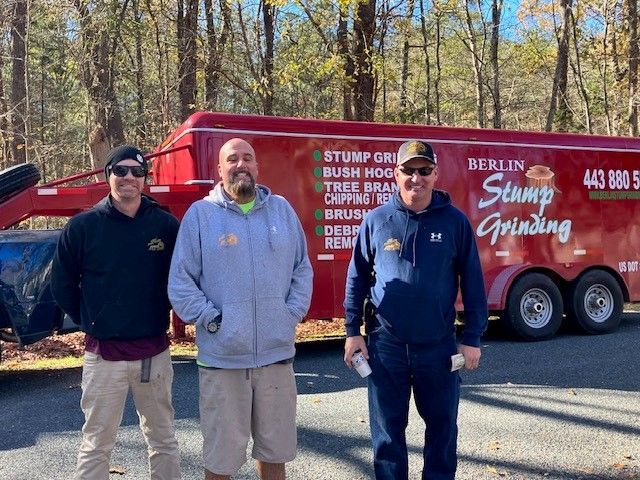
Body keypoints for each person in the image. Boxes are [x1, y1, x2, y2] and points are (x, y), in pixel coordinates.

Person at [168, 138, 313, 480]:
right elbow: (180, 282)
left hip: (276, 358)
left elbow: (302, 268)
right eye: (231, 159)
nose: (240, 164)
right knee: (221, 461)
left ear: (257, 167)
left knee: (275, 454)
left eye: (248, 157)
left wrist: (290, 313)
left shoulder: (281, 210)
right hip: (222, 362)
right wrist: (211, 319)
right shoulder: (200, 216)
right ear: (219, 169)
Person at [343, 140, 488, 480]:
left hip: (438, 346)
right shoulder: (376, 221)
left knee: (441, 431)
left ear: (435, 174)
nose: (416, 178)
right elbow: (357, 277)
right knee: (387, 436)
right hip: (386, 346)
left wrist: (472, 337)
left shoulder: (455, 222)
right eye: (408, 170)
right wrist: (352, 332)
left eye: (424, 171)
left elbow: (472, 281)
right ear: (396, 175)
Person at [51, 145, 181, 480]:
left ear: (145, 179)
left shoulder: (166, 226)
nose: (129, 178)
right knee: (97, 443)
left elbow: (182, 278)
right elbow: (62, 285)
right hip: (103, 354)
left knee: (163, 439)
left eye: (137, 172)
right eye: (120, 171)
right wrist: (91, 319)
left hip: (154, 352)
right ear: (107, 175)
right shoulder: (82, 227)